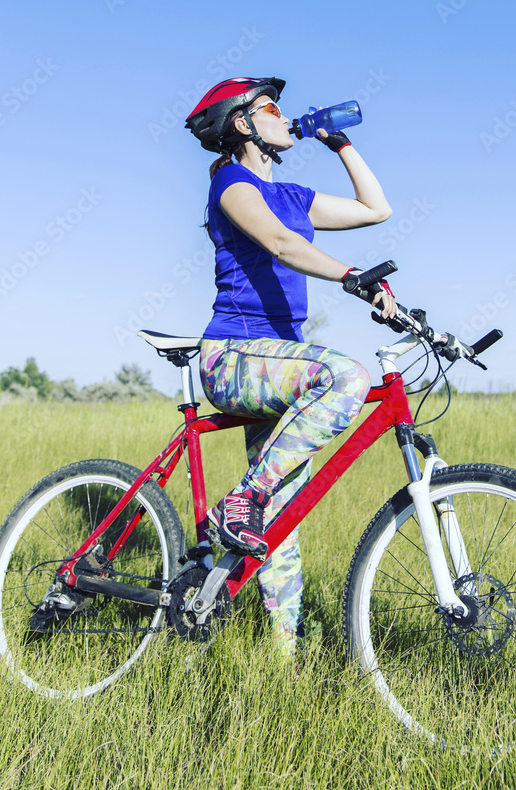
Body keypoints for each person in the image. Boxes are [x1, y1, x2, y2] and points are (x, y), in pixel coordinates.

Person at [185, 76, 395, 653]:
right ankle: (242, 499)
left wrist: (340, 144)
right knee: (346, 376)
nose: (284, 117)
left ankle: (284, 663)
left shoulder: (295, 196)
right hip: (234, 357)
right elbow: (280, 243)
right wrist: (352, 276)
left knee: (280, 526)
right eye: (270, 109)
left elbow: (376, 209)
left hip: (277, 362)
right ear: (243, 124)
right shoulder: (232, 182)